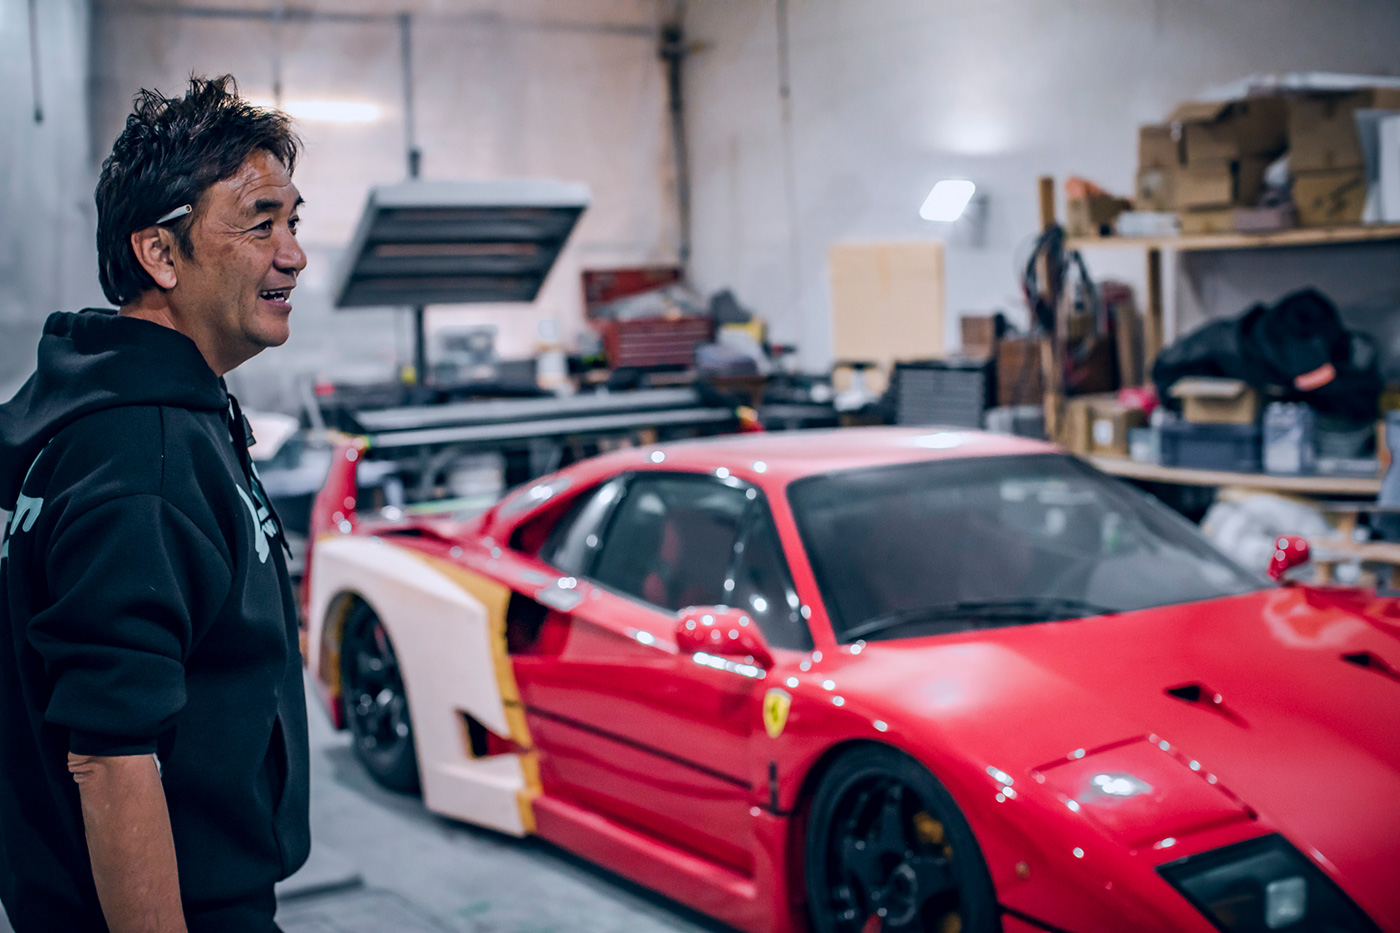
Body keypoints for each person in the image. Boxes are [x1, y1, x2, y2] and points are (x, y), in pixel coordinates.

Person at [0, 75, 310, 933]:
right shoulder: (144, 455)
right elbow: (109, 755)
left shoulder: (126, 415)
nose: (293, 254)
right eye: (258, 223)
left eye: (293, 220)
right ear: (161, 255)